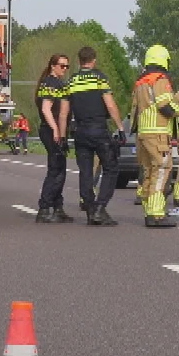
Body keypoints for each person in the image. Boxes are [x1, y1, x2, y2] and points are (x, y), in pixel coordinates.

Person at [65, 45, 126, 226]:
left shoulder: (72, 81)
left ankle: (91, 211)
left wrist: (62, 134)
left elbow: (64, 112)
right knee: (110, 168)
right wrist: (120, 127)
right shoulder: (100, 78)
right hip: (98, 129)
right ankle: (100, 208)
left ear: (79, 61)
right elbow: (110, 105)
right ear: (93, 61)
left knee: (85, 172)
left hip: (80, 131)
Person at [130, 45, 179, 229]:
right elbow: (165, 106)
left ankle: (149, 211)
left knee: (149, 172)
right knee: (162, 169)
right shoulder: (160, 79)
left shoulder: (141, 81)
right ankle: (156, 214)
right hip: (157, 132)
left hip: (143, 133)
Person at [33, 53, 73, 223]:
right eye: (62, 66)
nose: (65, 69)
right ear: (53, 66)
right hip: (51, 130)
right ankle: (44, 207)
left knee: (59, 168)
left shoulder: (53, 82)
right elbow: (45, 108)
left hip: (53, 130)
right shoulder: (51, 83)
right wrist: (56, 129)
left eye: (67, 66)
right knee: (56, 169)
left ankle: (58, 207)